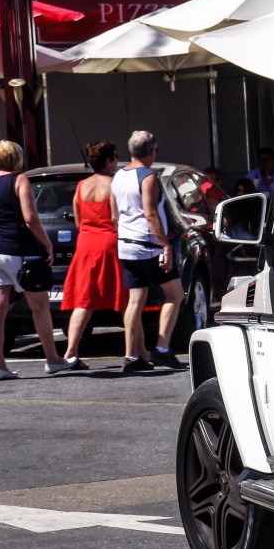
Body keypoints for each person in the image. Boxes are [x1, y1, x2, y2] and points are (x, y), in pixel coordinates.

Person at [0, 140, 75, 380]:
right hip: (19, 249)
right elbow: (30, 219)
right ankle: (53, 359)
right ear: (17, 158)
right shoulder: (19, 180)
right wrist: (47, 244)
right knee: (39, 306)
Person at [114, 130, 185, 372]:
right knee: (175, 294)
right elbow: (150, 213)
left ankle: (131, 355)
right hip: (149, 245)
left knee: (135, 300)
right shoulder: (148, 177)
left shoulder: (118, 177)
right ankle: (162, 348)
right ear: (152, 151)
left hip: (126, 244)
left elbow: (115, 215)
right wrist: (165, 245)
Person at [60, 140, 128, 366]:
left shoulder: (81, 187)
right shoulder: (114, 185)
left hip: (86, 244)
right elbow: (116, 218)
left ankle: (70, 352)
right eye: (115, 157)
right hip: (109, 242)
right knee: (126, 299)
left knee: (84, 300)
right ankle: (132, 352)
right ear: (109, 160)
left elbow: (79, 221)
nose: (117, 161)